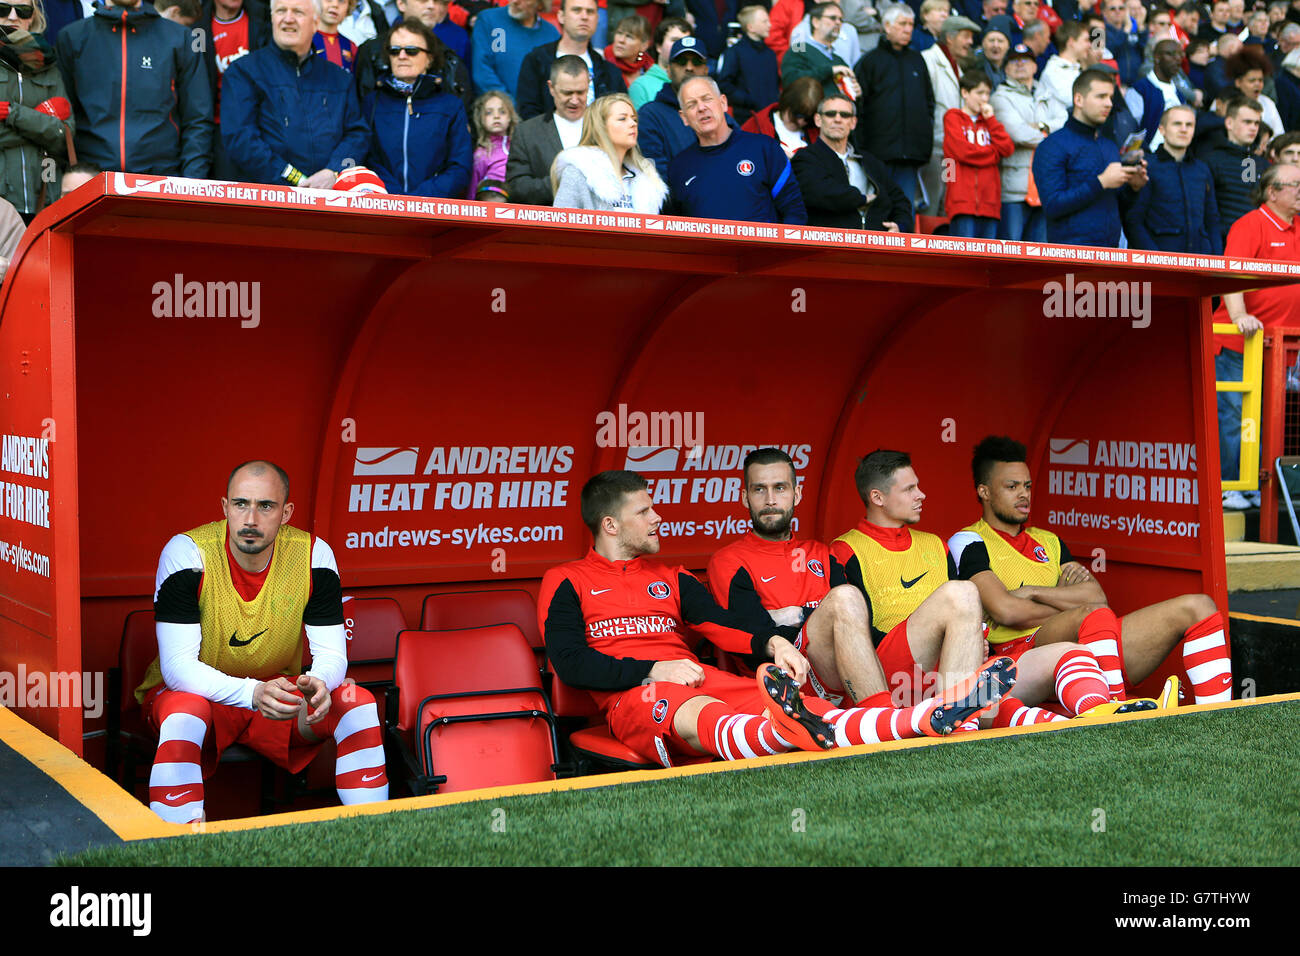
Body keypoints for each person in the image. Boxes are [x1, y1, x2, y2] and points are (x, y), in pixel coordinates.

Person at [538, 469, 1016, 769]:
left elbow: (722, 625)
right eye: (645, 511)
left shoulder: (671, 575)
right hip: (637, 696)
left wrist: (774, 644)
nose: (659, 517)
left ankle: (900, 726)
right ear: (611, 525)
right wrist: (650, 670)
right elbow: (570, 663)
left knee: (790, 703)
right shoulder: (567, 579)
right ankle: (903, 724)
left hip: (704, 678)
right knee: (711, 714)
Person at [139, 461, 388, 824]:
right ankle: (178, 848)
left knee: (357, 703)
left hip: (276, 695)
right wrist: (252, 692)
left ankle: (374, 838)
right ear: (225, 507)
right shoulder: (187, 552)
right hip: (198, 696)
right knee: (184, 715)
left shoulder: (314, 555)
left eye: (265, 506)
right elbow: (178, 669)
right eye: (240, 504)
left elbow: (332, 655)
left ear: (286, 512)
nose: (250, 518)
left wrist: (320, 682)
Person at [710, 448, 1015, 722]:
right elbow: (750, 637)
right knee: (844, 597)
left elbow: (857, 625)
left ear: (797, 494)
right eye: (759, 490)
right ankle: (883, 721)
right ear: (745, 497)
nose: (771, 499)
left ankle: (959, 718)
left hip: (849, 678)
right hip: (787, 679)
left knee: (962, 592)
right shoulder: (729, 560)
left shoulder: (821, 553)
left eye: (780, 488)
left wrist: (790, 614)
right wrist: (806, 621)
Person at [832, 449, 1127, 727]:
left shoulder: (935, 544)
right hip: (893, 676)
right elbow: (854, 638)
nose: (921, 495)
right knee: (962, 593)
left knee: (1069, 653)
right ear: (877, 497)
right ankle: (961, 718)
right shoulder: (846, 549)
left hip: (949, 675)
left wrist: (971, 639)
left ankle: (1104, 713)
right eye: (909, 489)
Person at [949, 436, 1231, 708]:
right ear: (984, 491)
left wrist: (1033, 592)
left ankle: (1219, 718)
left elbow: (1097, 597)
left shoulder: (1048, 540)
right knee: (1091, 616)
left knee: (1198, 606)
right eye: (1012, 487)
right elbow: (1006, 611)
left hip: (1093, 637)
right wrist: (1066, 603)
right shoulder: (969, 540)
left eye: (1027, 486)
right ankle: (1113, 708)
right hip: (1020, 655)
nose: (1023, 494)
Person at [1213, 163, 1300, 507]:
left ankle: (1255, 483)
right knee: (1234, 416)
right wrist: (1238, 315)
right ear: (1271, 191)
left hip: (1281, 347)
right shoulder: (1251, 224)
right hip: (1242, 343)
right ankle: (1227, 485)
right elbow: (1232, 273)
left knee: (1268, 419)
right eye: (1294, 184)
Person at [56, 0, 213, 178]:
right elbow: (60, 118)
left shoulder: (180, 38)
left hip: (161, 180)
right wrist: (67, 177)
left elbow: (198, 118)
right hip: (90, 179)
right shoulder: (72, 37)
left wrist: (191, 182)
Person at [222, 0, 370, 187]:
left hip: (329, 200)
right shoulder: (243, 72)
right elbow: (241, 140)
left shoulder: (340, 79)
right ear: (272, 18)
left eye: (298, 12)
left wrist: (333, 171)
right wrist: (297, 181)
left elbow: (358, 134)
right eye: (281, 11)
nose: (288, 19)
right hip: (266, 201)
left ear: (316, 23)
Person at [668, 75, 808, 223]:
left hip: (763, 246)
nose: (701, 108)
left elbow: (794, 211)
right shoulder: (679, 168)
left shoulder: (765, 149)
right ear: (684, 118)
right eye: (691, 105)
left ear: (723, 103)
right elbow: (676, 228)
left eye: (707, 99)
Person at [1033, 68, 1147, 246]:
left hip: (1109, 255)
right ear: (1078, 99)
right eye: (1101, 97)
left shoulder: (1109, 146)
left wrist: (1133, 188)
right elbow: (1052, 205)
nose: (1109, 103)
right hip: (1070, 257)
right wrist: (1101, 182)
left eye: (1110, 97)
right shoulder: (1052, 146)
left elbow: (1118, 207)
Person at [363, 18, 472, 196]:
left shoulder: (451, 106)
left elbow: (460, 167)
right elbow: (367, 159)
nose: (402, 56)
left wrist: (420, 198)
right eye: (394, 50)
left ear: (429, 59)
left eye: (412, 51)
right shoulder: (371, 102)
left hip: (434, 212)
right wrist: (394, 196)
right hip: (383, 207)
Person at [853, 3, 935, 209]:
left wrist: (923, 144)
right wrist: (862, 148)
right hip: (877, 153)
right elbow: (858, 107)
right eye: (902, 24)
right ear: (887, 26)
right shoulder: (869, 62)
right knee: (878, 211)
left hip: (910, 154)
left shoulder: (918, 60)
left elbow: (929, 104)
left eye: (911, 24)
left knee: (904, 212)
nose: (908, 29)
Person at [792, 92, 912, 228]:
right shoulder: (805, 158)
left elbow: (900, 201)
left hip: (873, 244)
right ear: (818, 120)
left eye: (844, 115)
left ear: (853, 122)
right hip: (830, 245)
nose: (837, 119)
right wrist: (862, 198)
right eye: (831, 114)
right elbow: (820, 193)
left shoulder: (870, 161)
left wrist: (899, 226)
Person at [0, 0, 74, 221]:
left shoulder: (49, 64)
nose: (13, 17)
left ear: (32, 17)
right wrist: (40, 124)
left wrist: (13, 114)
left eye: (23, 10)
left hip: (45, 199)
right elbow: (51, 131)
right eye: (3, 9)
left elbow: (65, 136)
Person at [1124, 104, 1222, 252]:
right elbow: (1133, 221)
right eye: (1177, 124)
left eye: (1189, 125)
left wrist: (1217, 260)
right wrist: (1155, 258)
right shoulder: (1147, 167)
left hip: (1200, 262)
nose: (1184, 129)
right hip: (1159, 263)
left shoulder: (1202, 170)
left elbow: (1212, 220)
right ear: (1162, 129)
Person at [550, 91, 667, 210]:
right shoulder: (578, 172)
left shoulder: (646, 179)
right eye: (622, 119)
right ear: (601, 127)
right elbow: (561, 222)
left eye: (634, 119)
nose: (632, 124)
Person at [515, 0, 626, 120]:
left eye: (590, 12)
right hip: (548, 136)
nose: (584, 17)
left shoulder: (610, 71)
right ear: (561, 16)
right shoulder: (536, 61)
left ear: (597, 19)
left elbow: (620, 115)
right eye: (576, 10)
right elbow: (528, 112)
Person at [505, 55, 589, 203]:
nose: (575, 100)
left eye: (581, 92)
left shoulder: (607, 126)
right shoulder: (527, 132)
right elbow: (516, 188)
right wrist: (563, 182)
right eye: (567, 93)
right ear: (551, 88)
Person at [920, 14, 980, 215]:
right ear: (950, 38)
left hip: (950, 152)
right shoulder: (929, 60)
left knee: (946, 203)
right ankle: (924, 246)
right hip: (934, 149)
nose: (970, 42)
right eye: (966, 36)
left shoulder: (958, 67)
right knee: (931, 202)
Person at [943, 69, 1014, 236]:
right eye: (979, 93)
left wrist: (991, 120)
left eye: (987, 93)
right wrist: (993, 154)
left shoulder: (989, 121)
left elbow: (1007, 148)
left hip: (990, 204)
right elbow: (962, 152)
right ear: (965, 93)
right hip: (961, 203)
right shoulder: (953, 117)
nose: (984, 99)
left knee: (988, 261)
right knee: (963, 259)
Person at [991, 41, 1049, 240]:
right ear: (1006, 68)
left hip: (1044, 186)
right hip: (1013, 189)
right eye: (1014, 61)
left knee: (1042, 256)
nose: (1020, 64)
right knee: (1011, 251)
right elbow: (1017, 133)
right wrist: (1048, 133)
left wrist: (1039, 128)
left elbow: (1064, 125)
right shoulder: (1000, 96)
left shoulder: (1048, 93)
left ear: (1035, 66)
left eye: (1026, 60)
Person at [637, 34, 709, 179]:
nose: (689, 68)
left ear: (706, 70)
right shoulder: (650, 115)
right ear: (668, 70)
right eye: (681, 62)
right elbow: (656, 175)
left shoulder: (718, 113)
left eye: (696, 62)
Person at [1200, 94, 1269, 242]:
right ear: (1229, 123)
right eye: (1247, 122)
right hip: (1223, 243)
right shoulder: (1210, 160)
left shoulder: (1262, 164)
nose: (1253, 128)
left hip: (1258, 244)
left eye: (1257, 123)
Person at [471, 0, 559, 98]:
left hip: (536, 111)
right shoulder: (489, 20)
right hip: (497, 109)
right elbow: (482, 73)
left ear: (540, 4)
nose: (515, 1)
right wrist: (509, 107)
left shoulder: (551, 34)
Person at [717, 5, 780, 125]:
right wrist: (748, 100)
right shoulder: (734, 52)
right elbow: (724, 84)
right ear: (751, 27)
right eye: (764, 21)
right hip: (746, 118)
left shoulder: (770, 54)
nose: (770, 25)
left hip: (771, 118)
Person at [782, 3, 859, 101]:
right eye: (833, 18)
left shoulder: (838, 59)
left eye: (841, 19)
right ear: (816, 22)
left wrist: (857, 95)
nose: (838, 22)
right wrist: (829, 71)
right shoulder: (799, 46)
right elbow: (791, 80)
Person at [1132, 38, 1194, 147]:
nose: (1177, 59)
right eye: (1171, 54)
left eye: (1180, 55)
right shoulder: (1140, 89)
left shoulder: (1179, 95)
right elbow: (1132, 129)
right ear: (1157, 58)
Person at [741, 75, 822, 158]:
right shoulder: (756, 126)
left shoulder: (817, 133)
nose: (801, 121)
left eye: (807, 118)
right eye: (797, 115)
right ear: (786, 104)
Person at [1037, 20, 1096, 132]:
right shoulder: (1054, 70)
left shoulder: (1077, 69)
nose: (1089, 45)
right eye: (1086, 40)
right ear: (1071, 42)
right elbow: (1074, 99)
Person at [628, 16, 690, 109]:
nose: (680, 46)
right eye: (675, 40)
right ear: (659, 46)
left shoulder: (698, 83)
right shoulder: (641, 86)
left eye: (685, 41)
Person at [467, 89, 518, 198]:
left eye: (502, 111)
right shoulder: (482, 153)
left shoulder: (519, 146)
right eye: (489, 112)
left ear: (510, 117)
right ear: (481, 119)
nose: (496, 116)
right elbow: (472, 189)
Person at [605, 13, 653, 87]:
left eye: (629, 37)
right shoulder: (601, 61)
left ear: (644, 46)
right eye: (619, 33)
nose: (621, 40)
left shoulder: (648, 68)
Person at [313, 0, 359, 71]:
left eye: (341, 1)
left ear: (349, 6)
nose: (335, 5)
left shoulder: (351, 47)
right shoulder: (303, 41)